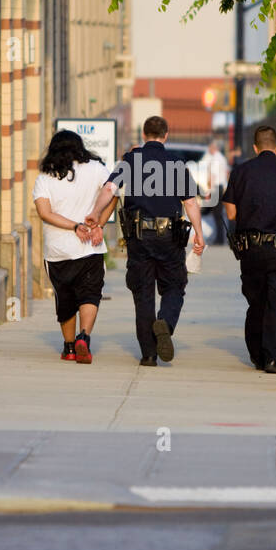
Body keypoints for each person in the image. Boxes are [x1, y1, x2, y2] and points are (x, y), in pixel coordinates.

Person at [87, 115, 205, 366]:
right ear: (166, 135)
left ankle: (149, 354)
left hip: (139, 237)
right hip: (170, 237)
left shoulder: (131, 160)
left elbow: (109, 189)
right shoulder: (176, 163)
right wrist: (199, 234)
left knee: (143, 293)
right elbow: (191, 202)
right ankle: (166, 322)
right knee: (174, 286)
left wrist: (96, 214)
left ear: (143, 135)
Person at [223, 124, 276, 374]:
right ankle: (273, 357)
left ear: (255, 147)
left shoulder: (241, 171)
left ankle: (257, 355)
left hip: (251, 250)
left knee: (256, 302)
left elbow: (231, 212)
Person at [32, 130, 108, 363]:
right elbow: (113, 192)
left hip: (58, 252)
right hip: (91, 249)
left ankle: (69, 348)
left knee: (65, 299)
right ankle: (83, 336)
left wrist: (74, 226)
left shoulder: (45, 177)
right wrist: (99, 225)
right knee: (90, 295)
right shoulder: (96, 168)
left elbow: (44, 213)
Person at [198, 139, 231, 244]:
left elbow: (213, 176)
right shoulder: (222, 158)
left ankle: (219, 238)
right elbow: (226, 173)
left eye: (210, 147)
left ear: (214, 147)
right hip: (220, 187)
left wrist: (209, 192)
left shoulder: (215, 159)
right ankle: (220, 237)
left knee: (217, 214)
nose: (209, 149)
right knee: (218, 214)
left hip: (215, 189)